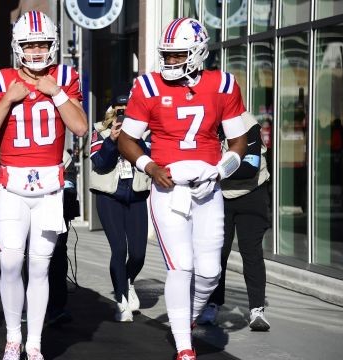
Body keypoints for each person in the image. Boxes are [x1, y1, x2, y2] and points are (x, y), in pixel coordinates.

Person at [117, 18, 247, 360]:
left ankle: (187, 317)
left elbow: (238, 142)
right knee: (181, 266)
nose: (170, 62)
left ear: (198, 53)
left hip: (208, 189)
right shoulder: (148, 86)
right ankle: (184, 346)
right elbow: (128, 140)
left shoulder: (223, 84)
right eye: (167, 55)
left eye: (178, 55)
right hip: (169, 189)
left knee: (210, 271)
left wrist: (221, 170)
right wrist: (151, 166)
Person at [0, 11, 87, 360]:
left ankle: (34, 342)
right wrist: (9, 98)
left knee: (40, 267)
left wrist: (55, 94)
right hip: (12, 186)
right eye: (29, 44)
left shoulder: (65, 77)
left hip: (50, 189)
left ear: (53, 45)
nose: (36, 51)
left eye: (42, 44)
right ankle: (12, 337)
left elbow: (81, 127)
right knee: (10, 263)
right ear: (17, 47)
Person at [196, 111, 271, 331]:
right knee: (218, 253)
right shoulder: (207, 121)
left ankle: (257, 310)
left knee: (251, 252)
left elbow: (249, 167)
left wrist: (212, 171)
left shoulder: (247, 123)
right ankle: (212, 304)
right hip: (221, 195)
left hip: (252, 193)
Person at [90, 95, 150, 322]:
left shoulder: (146, 131)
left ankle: (128, 280)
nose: (123, 114)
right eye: (119, 110)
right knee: (119, 249)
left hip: (136, 195)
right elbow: (100, 163)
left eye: (127, 110)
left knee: (138, 254)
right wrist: (113, 140)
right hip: (109, 196)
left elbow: (150, 158)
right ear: (112, 111)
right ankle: (121, 301)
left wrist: (133, 138)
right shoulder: (100, 130)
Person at [45, 149, 79, 326]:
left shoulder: (64, 156)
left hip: (57, 209)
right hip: (29, 209)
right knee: (31, 259)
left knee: (58, 255)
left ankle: (57, 307)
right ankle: (29, 306)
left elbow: (70, 183)